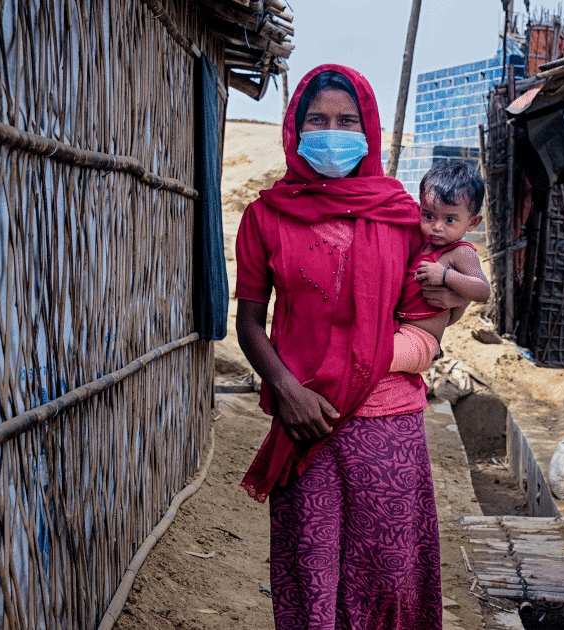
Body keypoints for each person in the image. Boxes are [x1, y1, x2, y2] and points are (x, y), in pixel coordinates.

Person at [234, 64, 464, 630]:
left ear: (369, 130)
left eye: (345, 120)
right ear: (294, 127)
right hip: (305, 421)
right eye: (317, 120)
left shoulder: (405, 219)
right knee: (311, 578)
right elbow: (248, 322)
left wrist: (375, 357)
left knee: (387, 578)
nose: (331, 132)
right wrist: (287, 392)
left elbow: (430, 325)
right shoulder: (265, 217)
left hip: (387, 425)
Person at [389, 162, 490, 372]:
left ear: (473, 222)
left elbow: (483, 290)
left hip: (421, 340)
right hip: (399, 329)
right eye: (428, 216)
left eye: (450, 219)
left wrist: (446, 276)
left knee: (376, 358)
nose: (436, 226)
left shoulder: (460, 253)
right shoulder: (422, 244)